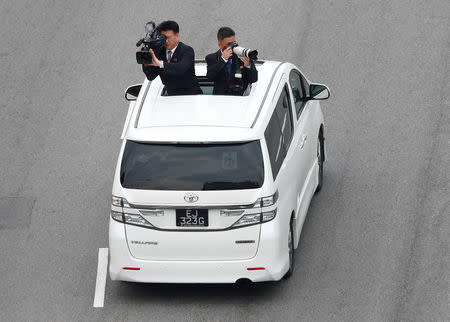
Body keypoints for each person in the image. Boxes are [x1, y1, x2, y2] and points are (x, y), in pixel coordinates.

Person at [142, 20, 202, 96]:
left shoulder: (187, 50)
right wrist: (146, 60)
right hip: (171, 98)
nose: (166, 41)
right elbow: (150, 76)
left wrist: (161, 64)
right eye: (163, 38)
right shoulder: (160, 53)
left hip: (192, 96)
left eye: (168, 37)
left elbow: (181, 69)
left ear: (177, 36)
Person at [205, 27, 258, 96]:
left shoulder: (242, 55)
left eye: (234, 43)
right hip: (219, 99)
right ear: (220, 45)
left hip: (241, 100)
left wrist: (247, 65)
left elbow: (253, 79)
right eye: (229, 44)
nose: (232, 46)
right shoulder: (212, 58)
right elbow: (210, 77)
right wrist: (223, 59)